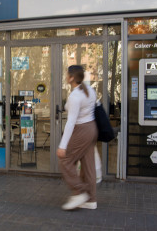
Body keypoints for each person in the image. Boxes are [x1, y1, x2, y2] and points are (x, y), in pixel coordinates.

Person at [57, 65, 98, 210]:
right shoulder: (89, 91)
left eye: (67, 74)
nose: (65, 76)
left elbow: (71, 122)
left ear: (72, 77)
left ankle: (80, 192)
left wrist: (62, 146)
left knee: (65, 159)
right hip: (92, 128)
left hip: (81, 130)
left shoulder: (75, 96)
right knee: (88, 166)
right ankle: (91, 200)